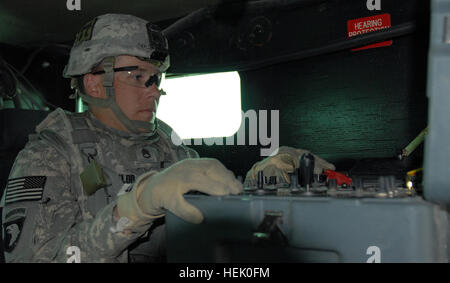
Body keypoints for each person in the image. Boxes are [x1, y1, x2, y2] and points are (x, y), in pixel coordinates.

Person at [0, 13, 334, 263]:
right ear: (94, 83)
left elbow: (213, 203)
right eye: (138, 76)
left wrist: (264, 176)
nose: (155, 91)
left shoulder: (164, 144)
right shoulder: (51, 153)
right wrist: (135, 208)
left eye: (157, 78)